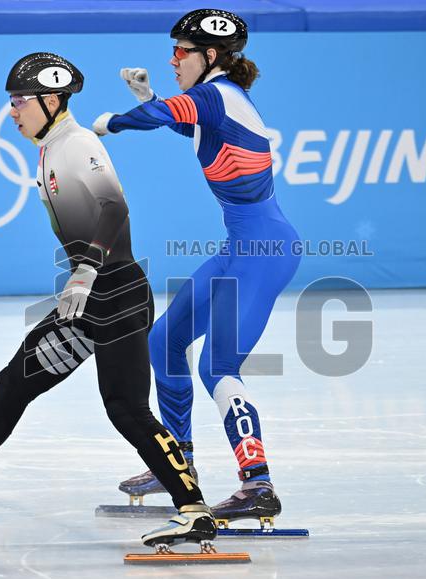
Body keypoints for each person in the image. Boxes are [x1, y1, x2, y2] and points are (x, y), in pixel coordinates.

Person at [0, 52, 216, 550]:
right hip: (89, 302)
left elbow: (115, 208)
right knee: (12, 387)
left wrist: (85, 268)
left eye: (19, 101)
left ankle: (194, 511)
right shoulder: (50, 147)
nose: (12, 112)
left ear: (52, 100)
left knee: (125, 409)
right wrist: (84, 278)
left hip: (116, 294)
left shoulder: (76, 144)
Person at [92, 9, 301, 527]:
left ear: (210, 56)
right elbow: (185, 125)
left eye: (181, 51)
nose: (171, 59)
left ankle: (258, 483)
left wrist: (110, 123)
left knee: (217, 368)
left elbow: (169, 116)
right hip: (240, 248)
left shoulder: (216, 93)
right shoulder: (218, 100)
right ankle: (177, 465)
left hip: (264, 251)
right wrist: (150, 100)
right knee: (163, 340)